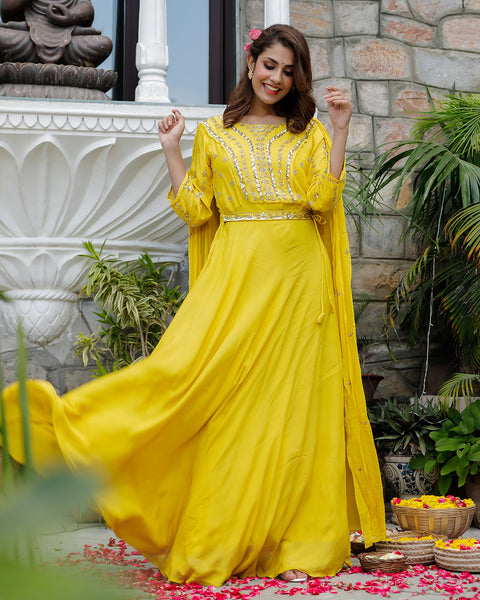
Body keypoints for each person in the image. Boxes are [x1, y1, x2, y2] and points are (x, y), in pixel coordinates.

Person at [1, 24, 385, 586]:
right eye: (268, 65)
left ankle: (294, 539)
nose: (276, 78)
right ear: (251, 62)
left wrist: (343, 128)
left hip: (300, 285)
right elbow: (196, 211)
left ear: (296, 76)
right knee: (188, 381)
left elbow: (323, 200)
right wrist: (171, 149)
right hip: (235, 282)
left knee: (290, 412)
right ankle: (72, 430)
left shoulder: (309, 134)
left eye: (287, 70)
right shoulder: (215, 135)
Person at [0, 0, 112, 66]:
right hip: (30, 33)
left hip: (68, 37)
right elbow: (7, 8)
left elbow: (86, 7)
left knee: (103, 44)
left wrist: (71, 15)